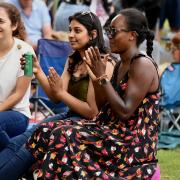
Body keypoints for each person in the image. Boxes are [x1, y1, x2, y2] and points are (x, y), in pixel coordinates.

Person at [1, 8, 160, 179]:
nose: (109, 35)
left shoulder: (141, 64)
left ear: (132, 35)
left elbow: (122, 112)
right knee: (41, 131)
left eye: (113, 31)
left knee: (60, 134)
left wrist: (100, 77)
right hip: (105, 128)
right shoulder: (116, 63)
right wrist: (39, 71)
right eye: (108, 31)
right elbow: (100, 105)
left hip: (129, 142)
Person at [0, 2, 35, 150]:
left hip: (17, 114)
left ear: (14, 26)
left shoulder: (27, 53)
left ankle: (14, 161)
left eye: (0, 21)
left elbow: (19, 94)